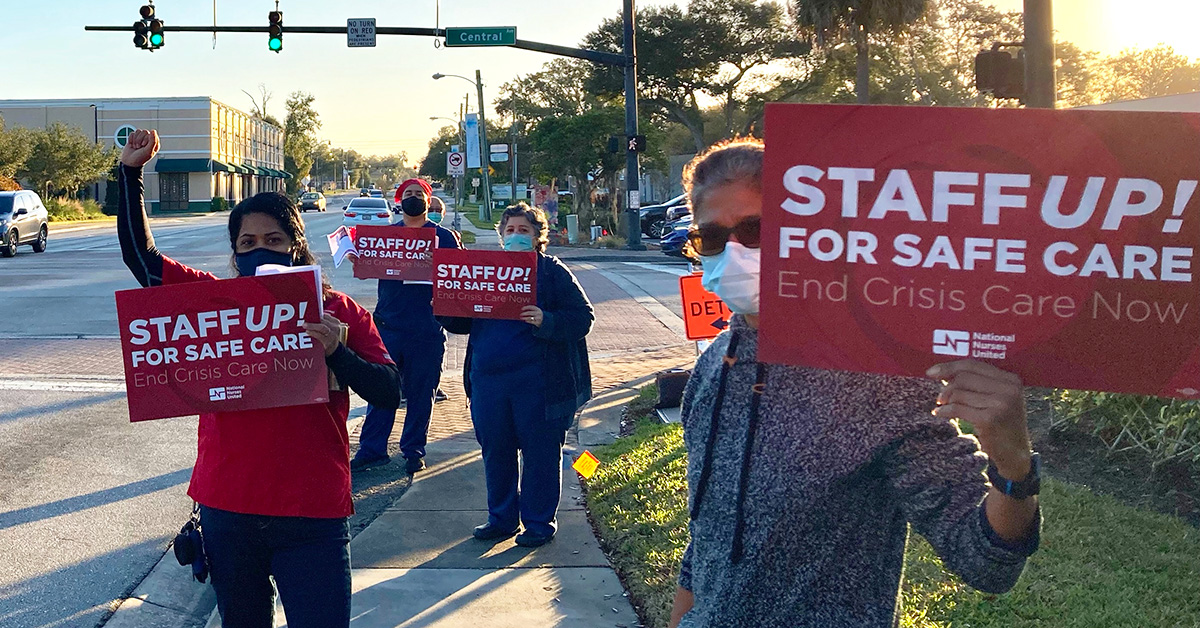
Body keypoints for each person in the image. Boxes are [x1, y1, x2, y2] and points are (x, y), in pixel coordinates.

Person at [668, 139, 1042, 628]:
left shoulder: (873, 375)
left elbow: (984, 561)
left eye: (756, 230)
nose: (733, 252)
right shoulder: (715, 365)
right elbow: (710, 530)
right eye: (713, 239)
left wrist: (1013, 465)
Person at [115, 129, 401, 628]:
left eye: (274, 240)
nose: (260, 250)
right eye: (247, 242)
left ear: (296, 246)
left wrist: (338, 354)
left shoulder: (337, 312)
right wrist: (130, 173)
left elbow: (389, 391)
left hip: (312, 512)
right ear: (234, 251)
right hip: (229, 508)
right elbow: (143, 260)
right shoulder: (213, 302)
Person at [440, 203, 593, 547]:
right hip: (488, 382)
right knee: (496, 451)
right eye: (510, 231)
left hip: (538, 382)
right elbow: (461, 323)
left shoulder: (552, 273)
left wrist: (547, 320)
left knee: (540, 454)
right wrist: (445, 307)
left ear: (539, 237)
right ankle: (501, 519)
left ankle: (539, 523)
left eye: (524, 231)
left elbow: (583, 317)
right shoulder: (484, 271)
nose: (516, 236)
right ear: (500, 236)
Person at [353, 178, 463, 474]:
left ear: (429, 201)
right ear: (399, 201)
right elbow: (363, 268)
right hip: (389, 326)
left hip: (427, 328)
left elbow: (460, 275)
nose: (414, 198)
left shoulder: (445, 237)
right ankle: (372, 449)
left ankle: (413, 449)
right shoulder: (385, 236)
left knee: (421, 393)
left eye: (419, 194)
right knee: (382, 391)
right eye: (408, 194)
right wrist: (356, 260)